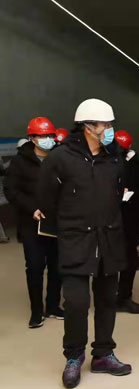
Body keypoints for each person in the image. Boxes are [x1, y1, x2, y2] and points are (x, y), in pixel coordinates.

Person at [39, 99, 132, 388]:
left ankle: (103, 354)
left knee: (106, 300)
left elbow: (121, 192)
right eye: (105, 125)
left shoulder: (114, 157)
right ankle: (74, 356)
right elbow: (47, 198)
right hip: (76, 240)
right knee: (77, 303)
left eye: (110, 124)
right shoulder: (61, 157)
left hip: (109, 239)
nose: (109, 129)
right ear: (88, 127)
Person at [4, 116, 63, 328]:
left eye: (50, 135)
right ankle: (36, 311)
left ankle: (53, 306)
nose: (47, 139)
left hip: (57, 222)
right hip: (32, 224)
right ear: (32, 138)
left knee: (57, 266)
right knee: (35, 267)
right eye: (42, 136)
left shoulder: (60, 157)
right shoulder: (20, 162)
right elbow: (11, 190)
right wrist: (32, 209)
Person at [114, 130, 139, 314]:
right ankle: (108, 298)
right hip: (108, 220)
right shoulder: (104, 162)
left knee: (130, 260)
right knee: (107, 262)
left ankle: (124, 297)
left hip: (130, 220)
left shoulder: (134, 164)